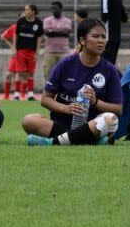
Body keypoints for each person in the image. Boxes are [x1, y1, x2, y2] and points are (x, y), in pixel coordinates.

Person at [21, 18, 122, 146]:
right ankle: (91, 140)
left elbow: (118, 109)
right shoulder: (65, 64)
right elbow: (45, 99)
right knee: (29, 120)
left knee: (110, 120)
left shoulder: (110, 70)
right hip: (63, 124)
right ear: (82, 40)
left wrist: (96, 101)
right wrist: (66, 108)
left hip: (92, 125)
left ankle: (52, 142)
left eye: (103, 37)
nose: (101, 40)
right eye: (95, 36)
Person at [6, 4, 44, 100]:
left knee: (30, 73)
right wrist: (14, 48)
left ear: (33, 11)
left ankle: (30, 94)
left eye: (27, 10)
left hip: (32, 51)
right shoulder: (20, 21)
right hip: (21, 50)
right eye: (25, 10)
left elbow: (39, 37)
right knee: (20, 72)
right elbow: (15, 35)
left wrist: (37, 52)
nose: (25, 11)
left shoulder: (38, 22)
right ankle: (16, 94)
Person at [96, 0, 128, 67]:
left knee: (104, 65)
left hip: (107, 37)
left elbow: (104, 16)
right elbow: (124, 17)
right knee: (110, 64)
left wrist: (97, 33)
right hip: (116, 37)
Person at [41, 1, 74, 80]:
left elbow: (66, 32)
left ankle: (63, 91)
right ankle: (49, 91)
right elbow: (47, 32)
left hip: (64, 51)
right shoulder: (47, 20)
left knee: (65, 73)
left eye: (55, 8)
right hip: (50, 52)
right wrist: (60, 31)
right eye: (52, 9)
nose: (53, 10)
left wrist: (52, 30)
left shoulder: (67, 21)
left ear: (61, 9)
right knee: (48, 74)